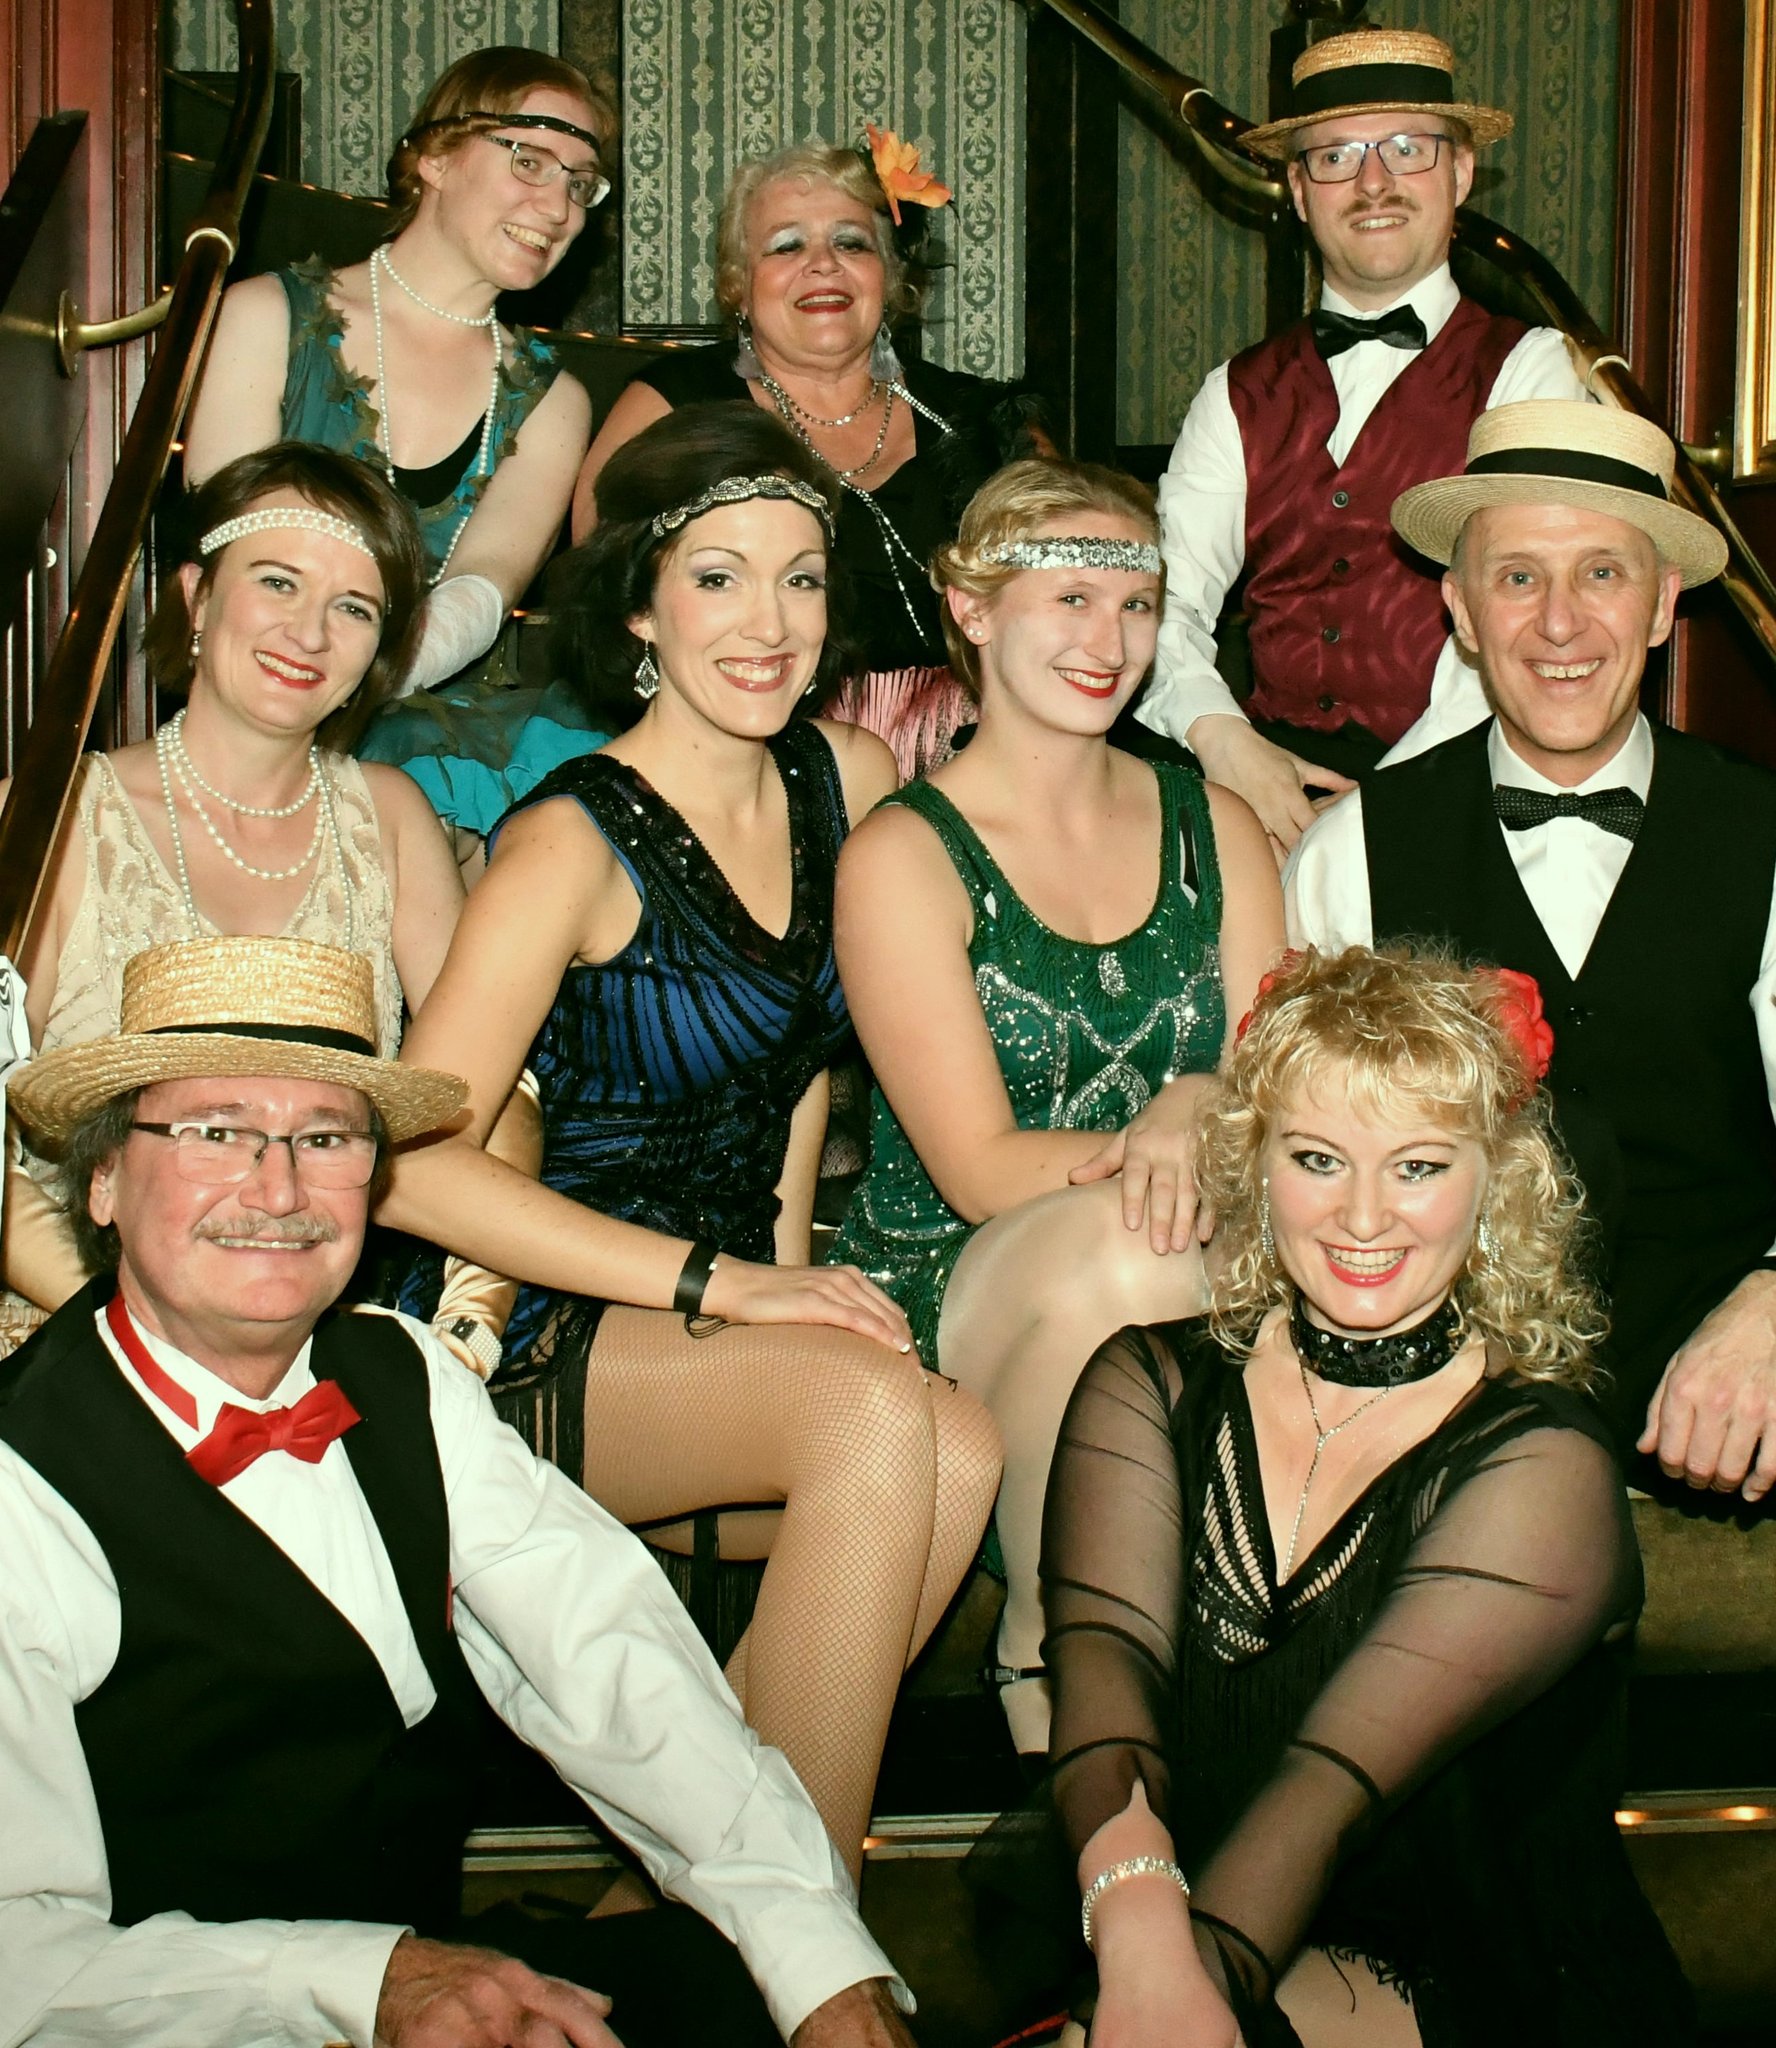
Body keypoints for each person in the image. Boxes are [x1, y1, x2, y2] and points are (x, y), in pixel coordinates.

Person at [0, 934, 916, 2048]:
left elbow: (612, 1658)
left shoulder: (405, 1377)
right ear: (103, 1178)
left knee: (757, 1990)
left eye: (325, 1137)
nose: (278, 1189)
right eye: (216, 1131)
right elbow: (21, 1966)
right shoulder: (17, 1478)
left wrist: (823, 1968)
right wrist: (364, 1981)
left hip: (438, 1993)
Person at [380, 403, 1002, 1879]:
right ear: (641, 611)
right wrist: (731, 1287)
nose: (769, 623)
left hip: (726, 1299)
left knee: (962, 1445)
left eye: (802, 578)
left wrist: (785, 1276)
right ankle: (805, 1943)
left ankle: (711, 1916)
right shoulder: (567, 843)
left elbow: (794, 1072)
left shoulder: (849, 777)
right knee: (875, 1417)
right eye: (719, 577)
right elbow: (408, 1163)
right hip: (543, 1322)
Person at [1033, 945, 1692, 2046]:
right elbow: (1106, 1669)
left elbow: (1324, 1791)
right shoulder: (1147, 1382)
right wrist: (1140, 1933)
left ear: (1496, 1181)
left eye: (1418, 1166)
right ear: (1256, 1161)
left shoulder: (1543, 1467)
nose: (1364, 1216)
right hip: (1185, 1917)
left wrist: (1182, 1992)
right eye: (1318, 1158)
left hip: (1483, 1975)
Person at [829, 458, 1284, 1753]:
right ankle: (1061, 1653)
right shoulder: (904, 853)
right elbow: (978, 1167)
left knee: (1159, 1254)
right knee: (1126, 1249)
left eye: (1135, 605)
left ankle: (1082, 1666)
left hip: (1207, 1250)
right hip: (958, 1277)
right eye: (1069, 598)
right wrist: (1166, 1137)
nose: (1109, 640)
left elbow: (1280, 1092)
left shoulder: (1214, 827)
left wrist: (1208, 1100)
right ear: (973, 609)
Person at [1285, 399, 1776, 1505]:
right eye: (1518, 578)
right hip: (1437, 1405)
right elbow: (1309, 1171)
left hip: (1732, 1388)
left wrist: (1772, 1307)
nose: (1560, 622)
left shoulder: (1767, 832)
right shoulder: (1353, 849)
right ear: (1460, 610)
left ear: (1663, 604)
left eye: (1602, 573)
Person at [0, 445, 462, 1354]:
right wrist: (146, 1343)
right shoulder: (51, 819)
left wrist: (465, 1321)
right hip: (72, 1331)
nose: (310, 634)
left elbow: (487, 1092)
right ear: (197, 596)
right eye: (278, 582)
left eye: (354, 607)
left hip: (314, 1323)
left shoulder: (394, 818)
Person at [1140, 27, 1589, 850]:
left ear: (1460, 174)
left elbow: (1527, 615)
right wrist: (1223, 739)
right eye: (1336, 156)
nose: (1373, 182)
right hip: (1268, 796)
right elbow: (1162, 598)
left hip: (1472, 792)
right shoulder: (1233, 393)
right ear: (1298, 189)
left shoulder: (1534, 370)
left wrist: (1382, 808)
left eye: (1408, 148)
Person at [573, 138, 1053, 782]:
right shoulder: (673, 407)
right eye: (786, 246)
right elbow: (610, 603)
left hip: (993, 761)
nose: (823, 264)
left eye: (851, 243)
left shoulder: (985, 421)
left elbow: (1071, 599)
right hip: (759, 762)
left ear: (890, 277)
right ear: (739, 287)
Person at [184, 46, 606, 706]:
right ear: (435, 156)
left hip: (423, 713)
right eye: (529, 162)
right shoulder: (265, 317)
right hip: (250, 687)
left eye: (580, 184)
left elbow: (482, 587)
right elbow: (230, 546)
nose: (559, 209)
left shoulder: (552, 401)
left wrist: (355, 679)